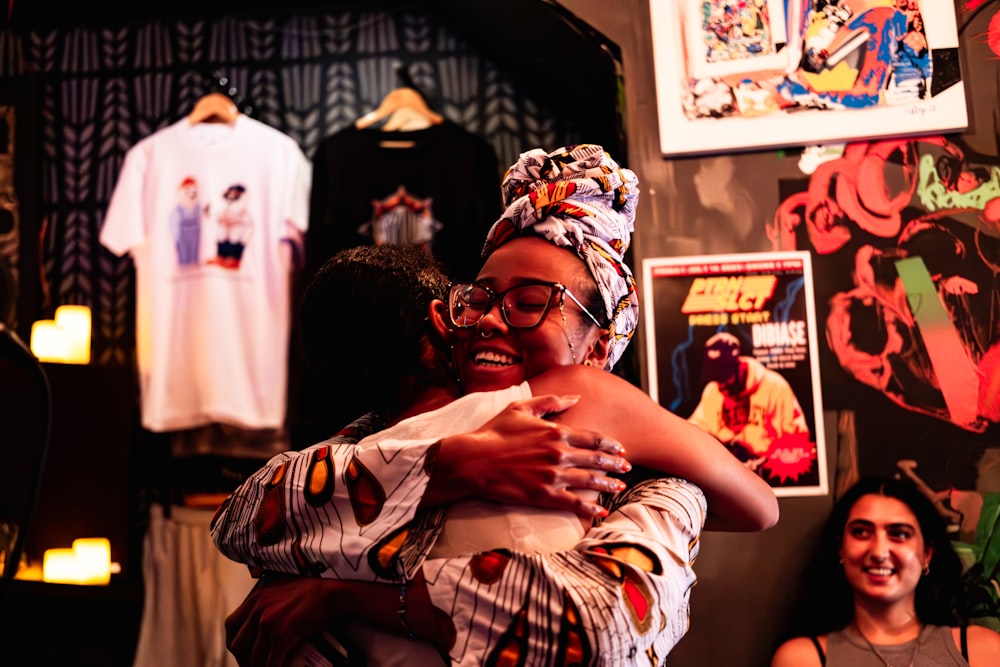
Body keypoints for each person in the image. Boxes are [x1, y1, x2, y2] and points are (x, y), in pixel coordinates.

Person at [214, 144, 778, 665]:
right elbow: (240, 517)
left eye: (530, 303)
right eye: (480, 299)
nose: (489, 319)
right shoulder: (385, 434)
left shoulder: (596, 406)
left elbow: (602, 620)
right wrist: (455, 463)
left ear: (600, 347)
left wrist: (649, 477)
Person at [770, 476, 1000, 667]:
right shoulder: (803, 658)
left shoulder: (983, 650)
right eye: (861, 532)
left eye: (899, 534)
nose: (879, 552)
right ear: (841, 548)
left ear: (926, 555)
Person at [687, 331, 812, 479]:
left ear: (738, 366)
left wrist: (761, 460)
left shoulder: (775, 387)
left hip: (766, 481)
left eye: (724, 377)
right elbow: (692, 433)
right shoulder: (713, 390)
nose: (721, 385)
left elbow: (799, 444)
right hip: (725, 480)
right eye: (716, 378)